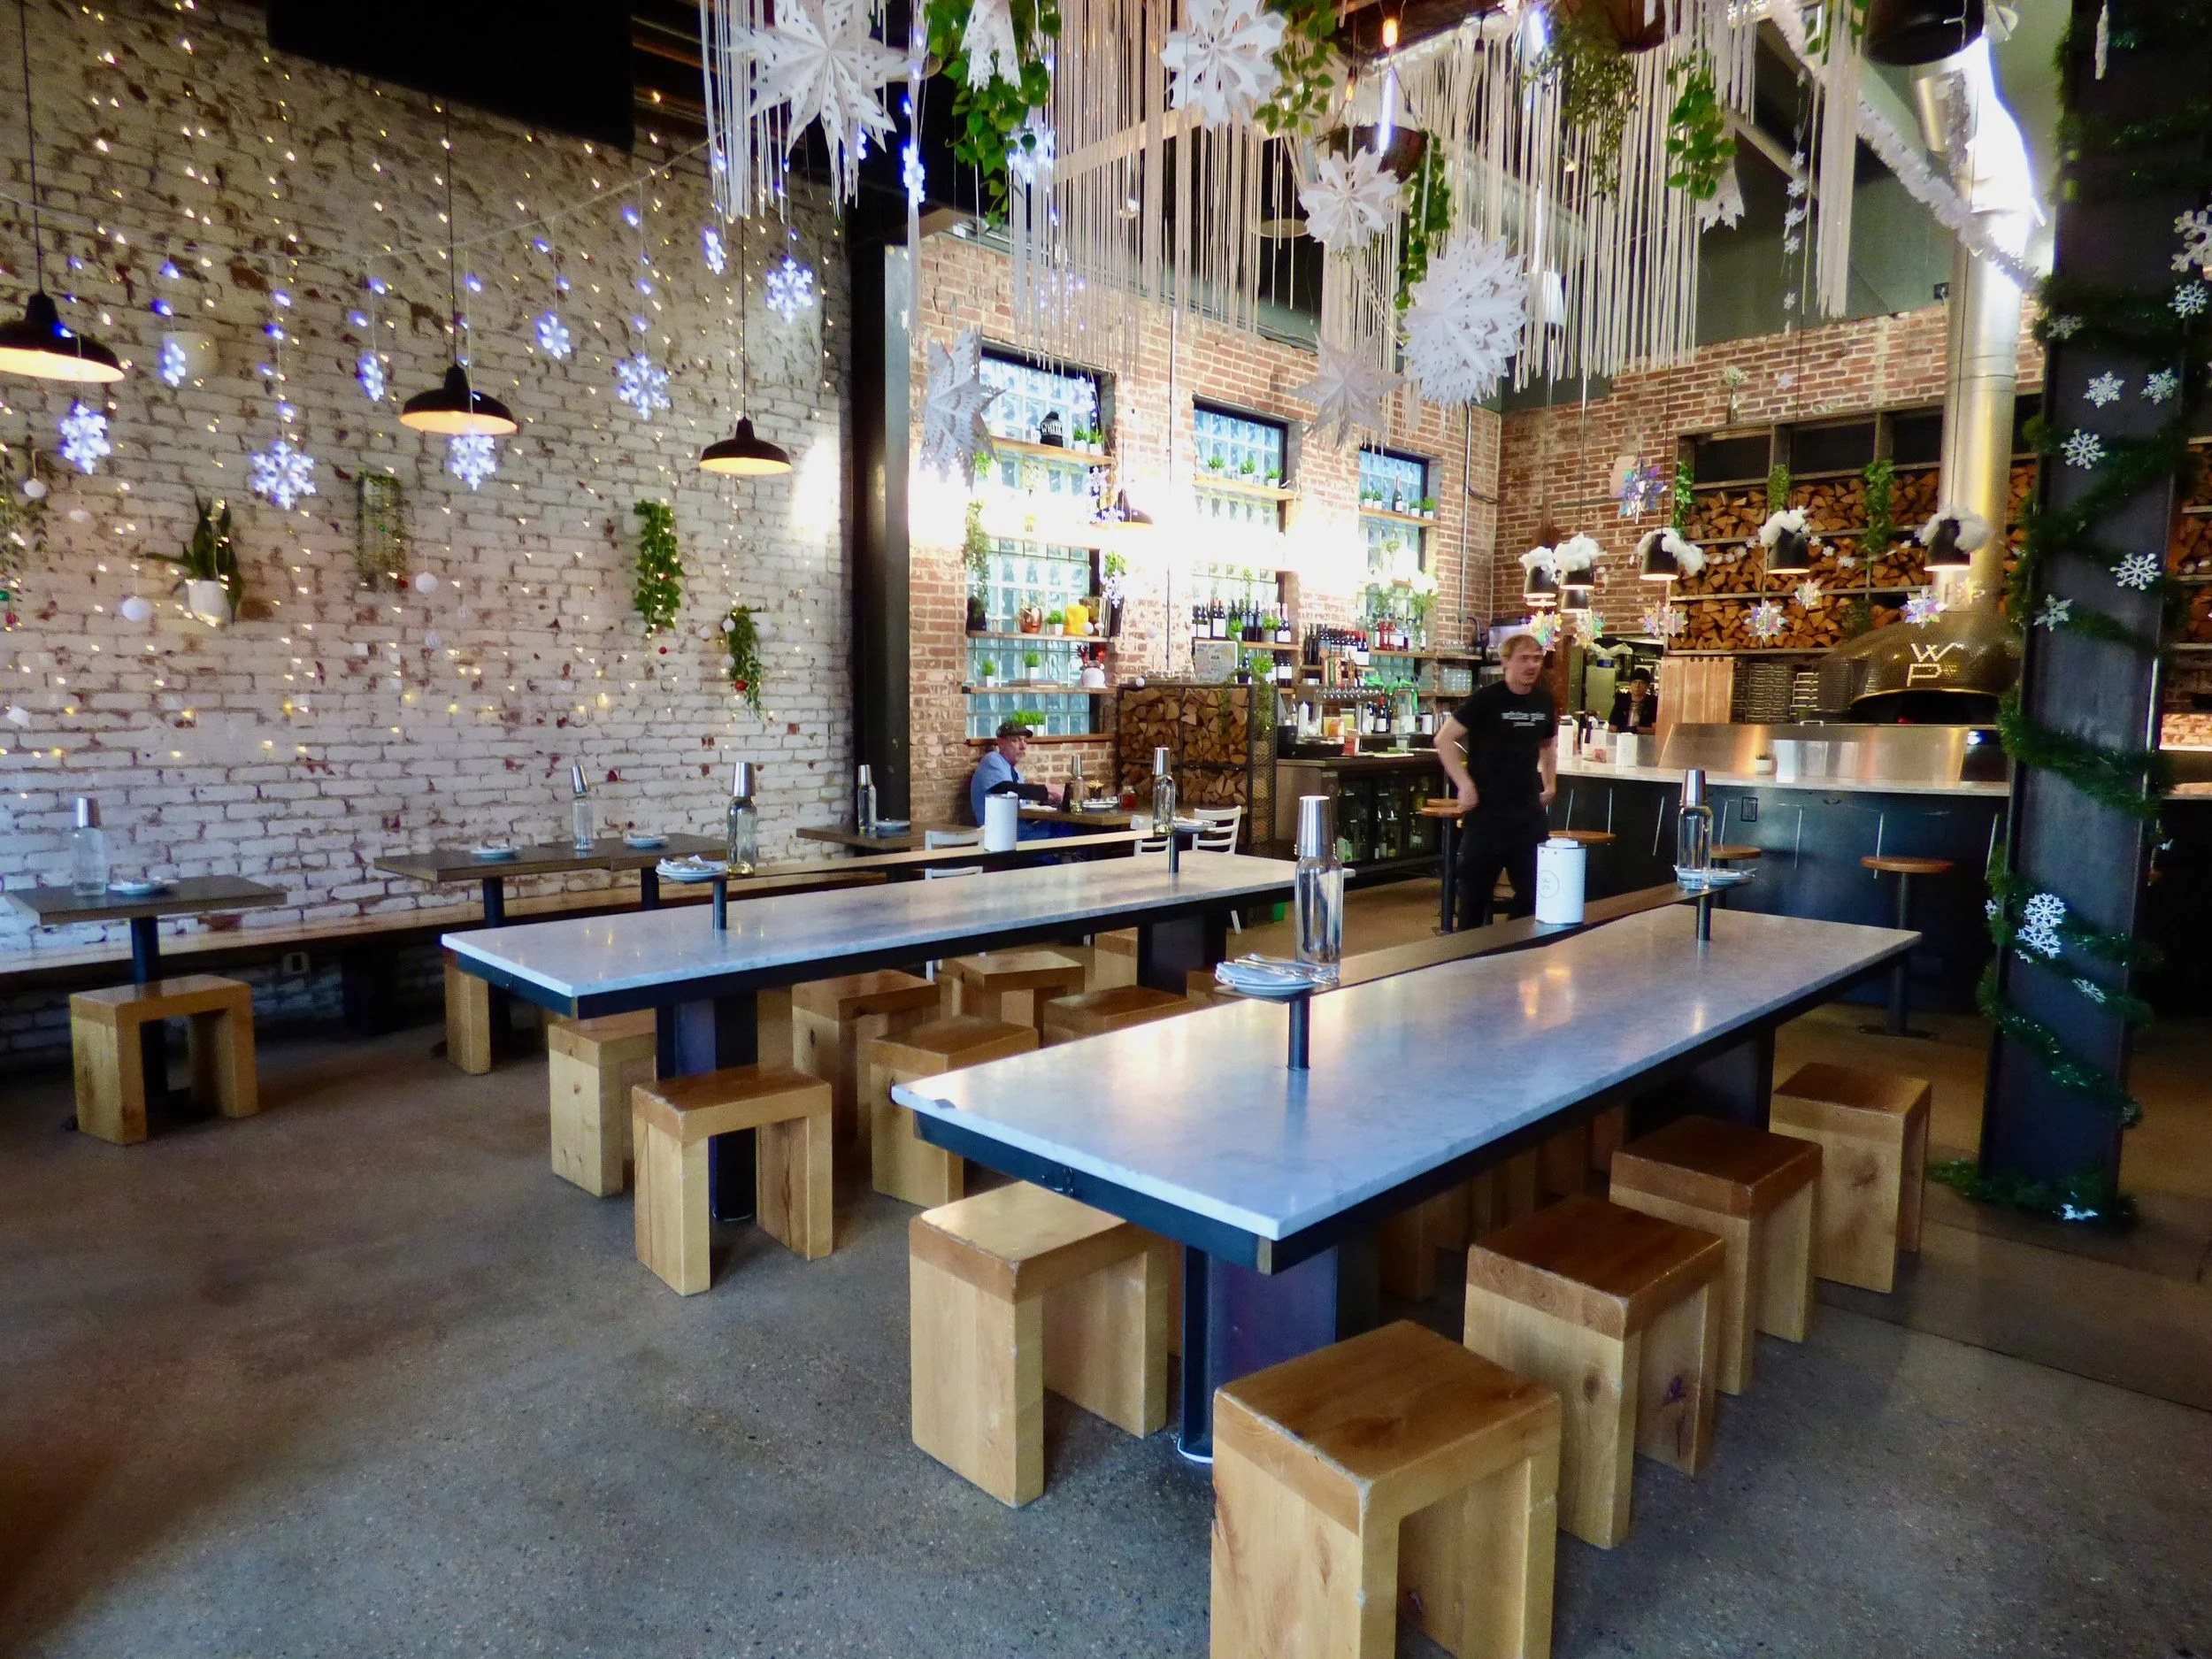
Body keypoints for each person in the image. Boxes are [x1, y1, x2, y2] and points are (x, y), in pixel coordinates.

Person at [1435, 633, 1558, 929]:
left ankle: (1513, 950)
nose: (1532, 665)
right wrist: (1464, 783)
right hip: (1487, 814)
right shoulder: (1486, 700)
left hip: (1527, 814)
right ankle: (1467, 961)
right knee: (1474, 898)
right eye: (1524, 658)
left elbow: (1548, 745)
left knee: (1536, 893)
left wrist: (1550, 784)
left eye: (1537, 658)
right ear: (1505, 662)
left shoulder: (1544, 700)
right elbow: (1444, 739)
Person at [1609, 667, 1659, 734]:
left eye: (1641, 683)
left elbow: (1656, 730)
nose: (1637, 686)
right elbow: (1613, 728)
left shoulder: (1653, 702)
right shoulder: (1621, 701)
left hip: (1645, 741)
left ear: (1647, 686)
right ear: (1630, 684)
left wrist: (1636, 729)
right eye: (1635, 682)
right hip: (1622, 739)